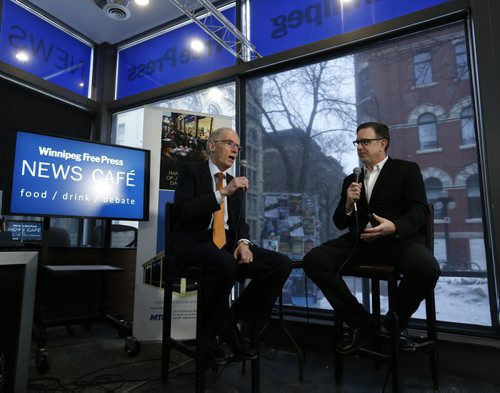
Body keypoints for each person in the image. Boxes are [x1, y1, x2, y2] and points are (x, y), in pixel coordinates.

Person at [302, 121, 440, 354]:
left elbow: (419, 212)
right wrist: (347, 203)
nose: (359, 147)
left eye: (365, 141)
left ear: (382, 143)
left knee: (428, 268)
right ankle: (361, 323)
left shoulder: (406, 170)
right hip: (361, 241)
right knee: (313, 260)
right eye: (357, 142)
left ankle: (394, 322)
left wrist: (394, 226)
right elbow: (339, 222)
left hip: (397, 241)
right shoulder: (351, 179)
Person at [170, 127, 292, 365]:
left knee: (280, 264)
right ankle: (217, 336)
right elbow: (183, 211)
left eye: (237, 146)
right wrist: (223, 192)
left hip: (226, 245)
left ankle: (235, 320)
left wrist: (244, 244)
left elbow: (240, 224)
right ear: (212, 145)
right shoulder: (191, 172)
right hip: (196, 242)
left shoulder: (234, 183)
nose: (235, 150)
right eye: (229, 143)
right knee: (225, 264)